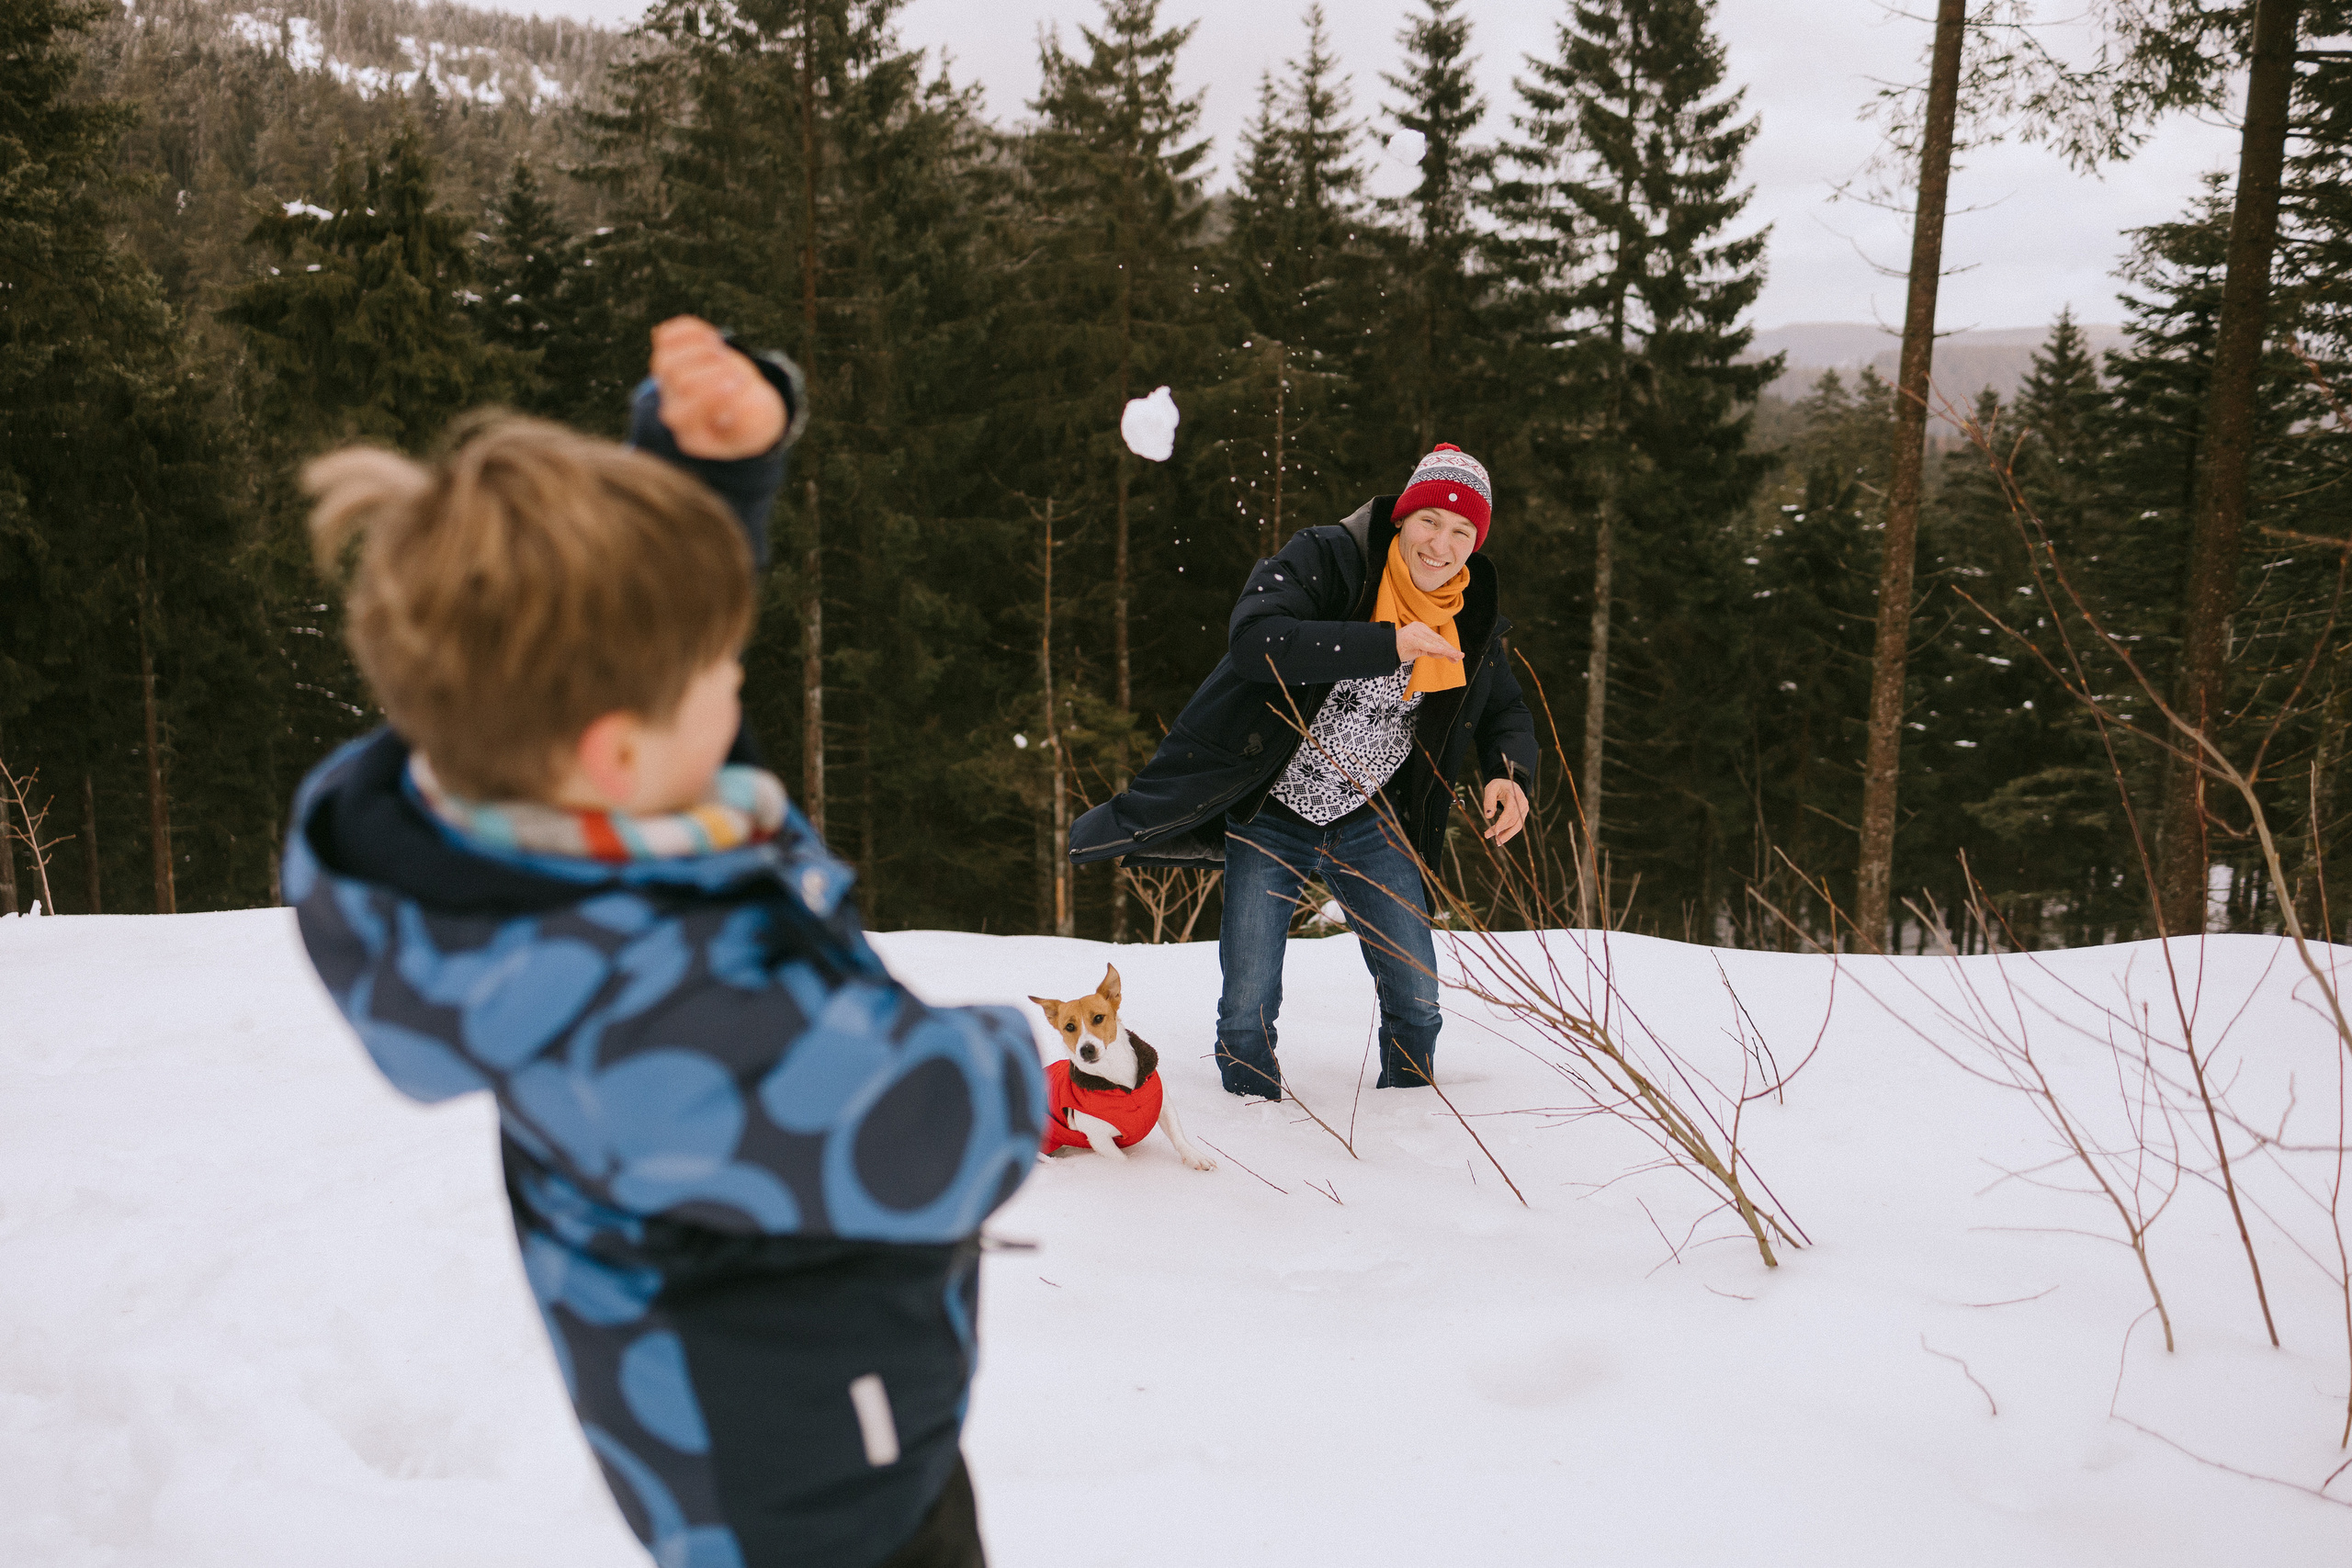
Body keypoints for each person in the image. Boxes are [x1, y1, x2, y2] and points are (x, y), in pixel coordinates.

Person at [279, 317, 1044, 1568]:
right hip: (809, 1493)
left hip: (794, 1393)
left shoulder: (536, 844)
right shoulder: (644, 1020)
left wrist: (715, 476)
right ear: (616, 754)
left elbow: (628, 656)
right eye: (721, 668)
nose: (736, 686)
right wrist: (1013, 1057)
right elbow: (927, 1128)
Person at [1069, 444, 1538, 1100]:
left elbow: (1503, 705)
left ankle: (1409, 1110)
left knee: (1418, 994)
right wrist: (1387, 643)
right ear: (1402, 517)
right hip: (1273, 810)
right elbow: (1256, 639)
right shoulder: (1329, 557)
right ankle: (1253, 1115)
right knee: (1248, 1002)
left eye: (1463, 530)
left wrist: (1508, 772)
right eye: (1430, 520)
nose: (1443, 543)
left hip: (1372, 817)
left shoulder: (1468, 612)